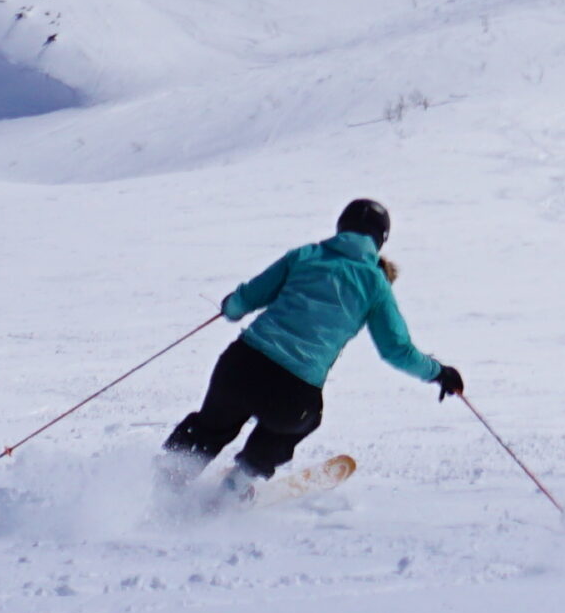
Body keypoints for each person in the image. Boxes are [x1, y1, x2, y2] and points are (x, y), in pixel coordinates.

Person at [162, 198, 463, 492]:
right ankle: (239, 482)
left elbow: (244, 300)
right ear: (380, 240)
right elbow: (396, 350)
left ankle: (163, 481)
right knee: (304, 420)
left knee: (211, 426)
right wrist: (439, 372)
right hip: (292, 392)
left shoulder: (306, 256)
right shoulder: (375, 284)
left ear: (341, 226)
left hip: (241, 365)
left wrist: (231, 306)